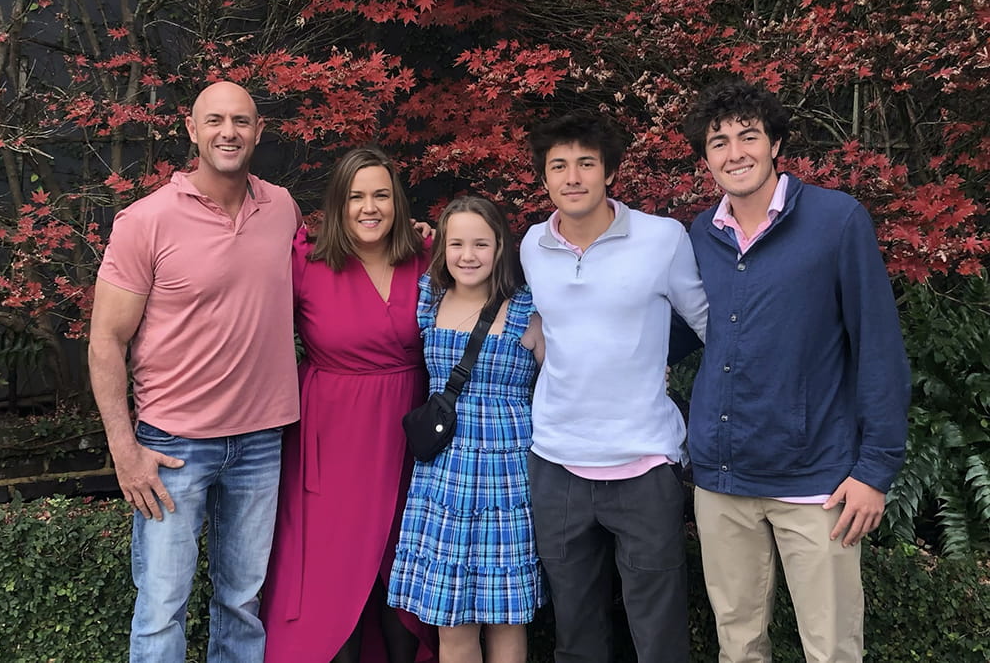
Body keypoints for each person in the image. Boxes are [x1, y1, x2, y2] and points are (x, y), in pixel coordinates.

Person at [682, 79, 911, 663]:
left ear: (775, 143)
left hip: (818, 481)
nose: (735, 153)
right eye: (719, 143)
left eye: (748, 137)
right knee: (737, 645)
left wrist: (876, 468)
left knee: (831, 650)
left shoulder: (836, 220)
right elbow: (661, 338)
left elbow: (879, 348)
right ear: (705, 158)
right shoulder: (699, 237)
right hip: (721, 478)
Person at [88, 81, 301, 662]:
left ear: (259, 131)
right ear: (191, 129)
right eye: (215, 121)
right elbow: (106, 340)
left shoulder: (281, 208)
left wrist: (416, 238)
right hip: (174, 445)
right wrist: (124, 449)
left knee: (242, 603)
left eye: (240, 121)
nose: (227, 132)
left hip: (261, 440)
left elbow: (338, 259)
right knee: (161, 607)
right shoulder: (145, 220)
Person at [519, 110, 708, 662]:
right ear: (545, 177)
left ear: (608, 172)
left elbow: (713, 327)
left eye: (586, 163)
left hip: (645, 463)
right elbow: (497, 297)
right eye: (559, 165)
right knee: (575, 632)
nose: (572, 176)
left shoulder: (662, 238)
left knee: (659, 631)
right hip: (556, 462)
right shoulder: (532, 244)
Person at [261, 146, 437, 663]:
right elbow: (251, 325)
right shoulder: (307, 259)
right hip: (330, 439)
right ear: (337, 204)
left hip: (409, 436)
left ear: (398, 202)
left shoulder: (428, 256)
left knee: (399, 568)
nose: (369, 207)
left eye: (381, 194)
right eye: (356, 196)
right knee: (333, 576)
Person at [388, 195, 548, 662]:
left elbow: (569, 380)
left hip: (508, 478)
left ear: (501, 247)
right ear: (441, 248)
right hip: (444, 478)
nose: (468, 255)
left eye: (481, 243)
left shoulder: (528, 311)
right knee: (452, 623)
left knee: (506, 619)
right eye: (455, 243)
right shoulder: (426, 299)